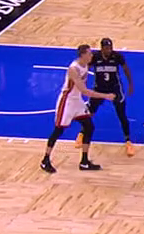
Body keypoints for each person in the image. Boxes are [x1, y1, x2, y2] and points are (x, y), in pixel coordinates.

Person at [41, 44, 114, 173]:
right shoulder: (73, 69)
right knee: (58, 130)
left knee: (89, 127)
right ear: (83, 55)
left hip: (77, 101)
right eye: (89, 53)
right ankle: (45, 160)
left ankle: (84, 162)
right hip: (67, 102)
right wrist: (105, 96)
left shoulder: (85, 65)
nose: (92, 55)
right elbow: (84, 91)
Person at [77, 38, 134, 156]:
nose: (109, 50)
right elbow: (86, 69)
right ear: (102, 48)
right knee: (89, 113)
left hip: (115, 88)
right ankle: (82, 133)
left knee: (121, 115)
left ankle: (128, 141)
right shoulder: (95, 57)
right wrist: (82, 82)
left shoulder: (117, 56)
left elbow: (126, 69)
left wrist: (130, 84)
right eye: (107, 48)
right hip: (99, 88)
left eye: (110, 48)